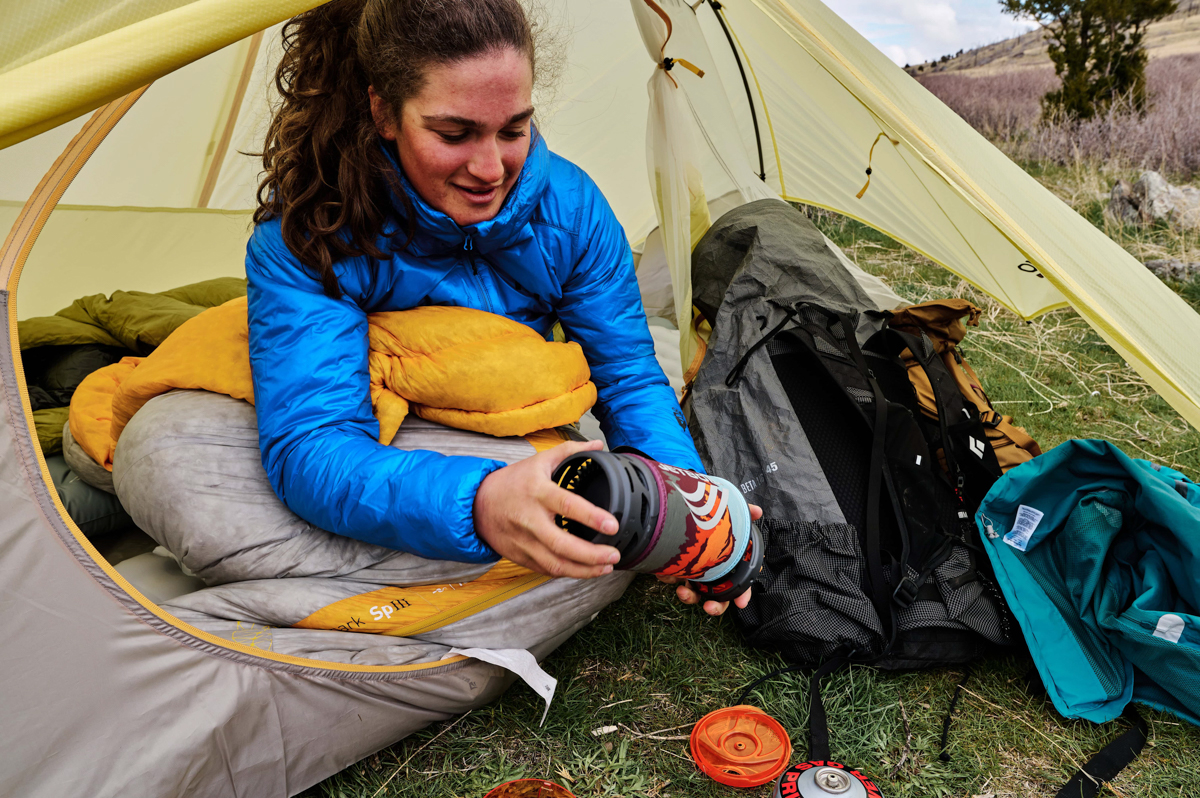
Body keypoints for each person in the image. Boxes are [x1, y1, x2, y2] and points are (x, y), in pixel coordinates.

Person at [247, 0, 754, 615]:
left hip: (508, 426)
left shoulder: (571, 211)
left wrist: (685, 498)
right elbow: (312, 441)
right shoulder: (309, 231)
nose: (490, 170)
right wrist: (480, 503)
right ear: (383, 111)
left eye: (514, 129)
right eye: (454, 134)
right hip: (397, 438)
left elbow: (629, 378)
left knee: (588, 515)